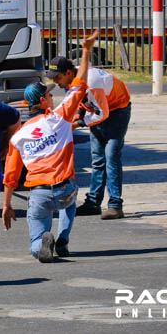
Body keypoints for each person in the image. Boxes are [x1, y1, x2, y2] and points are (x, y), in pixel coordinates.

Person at [2, 30, 99, 263]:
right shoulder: (60, 118)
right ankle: (63, 237)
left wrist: (6, 205)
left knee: (36, 239)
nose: (52, 96)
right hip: (64, 189)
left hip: (39, 193)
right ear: (43, 101)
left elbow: (10, 176)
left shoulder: (18, 137)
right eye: (49, 94)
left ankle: (42, 243)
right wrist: (85, 51)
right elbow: (80, 84)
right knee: (70, 199)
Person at [70, 66, 132, 220]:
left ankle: (115, 205)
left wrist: (77, 124)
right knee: (98, 159)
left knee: (111, 156)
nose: (57, 83)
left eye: (57, 78)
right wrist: (79, 113)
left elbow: (103, 114)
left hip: (117, 110)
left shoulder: (93, 82)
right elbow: (80, 99)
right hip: (97, 110)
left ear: (67, 73)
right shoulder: (71, 81)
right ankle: (93, 203)